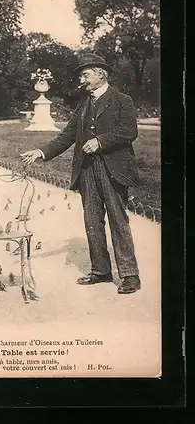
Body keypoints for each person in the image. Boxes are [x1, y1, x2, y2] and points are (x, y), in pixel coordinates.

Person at [20, 53, 141, 294]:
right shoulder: (84, 104)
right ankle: (101, 271)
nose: (82, 80)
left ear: (100, 73)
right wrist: (42, 152)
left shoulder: (122, 100)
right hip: (87, 170)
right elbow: (67, 136)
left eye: (85, 74)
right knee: (92, 221)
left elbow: (129, 131)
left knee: (118, 221)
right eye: (81, 75)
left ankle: (130, 275)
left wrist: (100, 141)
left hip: (113, 169)